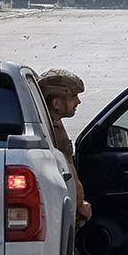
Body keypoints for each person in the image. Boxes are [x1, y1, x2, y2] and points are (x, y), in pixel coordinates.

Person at [37, 68, 92, 224]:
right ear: (56, 103)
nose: (78, 102)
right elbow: (69, 170)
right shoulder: (51, 129)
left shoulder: (51, 123)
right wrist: (80, 204)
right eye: (73, 97)